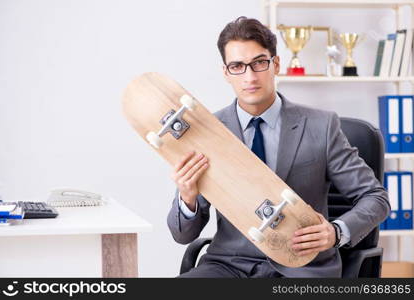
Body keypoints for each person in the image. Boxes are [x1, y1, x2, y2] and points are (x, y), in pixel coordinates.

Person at [167, 16, 390, 278]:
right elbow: (183, 235)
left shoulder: (321, 126)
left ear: (276, 64)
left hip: (303, 267)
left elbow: (376, 198)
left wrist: (337, 231)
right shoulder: (208, 131)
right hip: (228, 266)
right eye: (238, 66)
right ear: (226, 72)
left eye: (259, 63)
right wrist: (187, 197)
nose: (249, 76)